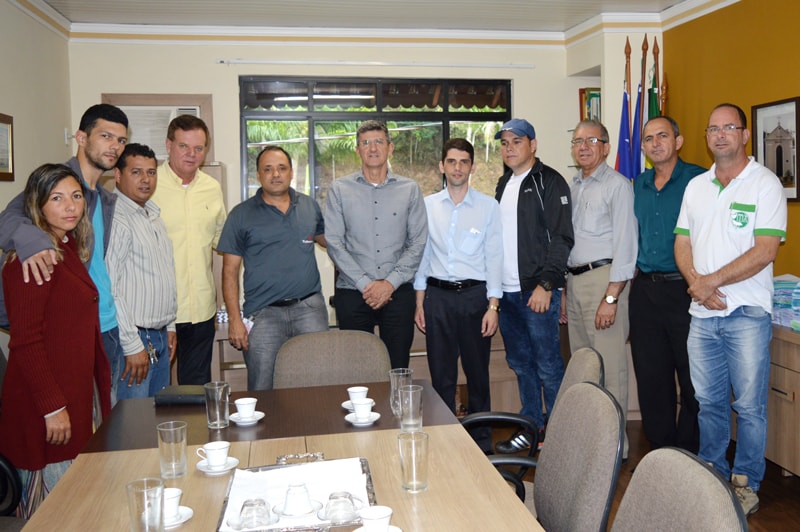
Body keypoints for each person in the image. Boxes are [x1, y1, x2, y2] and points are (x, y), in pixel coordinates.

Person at [674, 103, 787, 516]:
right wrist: (696, 286)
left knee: (750, 406)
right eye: (713, 129)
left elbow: (765, 251)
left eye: (729, 128)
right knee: (709, 402)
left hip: (746, 315)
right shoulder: (697, 187)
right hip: (702, 315)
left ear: (744, 135)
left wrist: (709, 282)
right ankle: (712, 473)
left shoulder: (765, 184)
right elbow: (682, 243)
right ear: (707, 137)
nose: (720, 135)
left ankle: (744, 483)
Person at [0, 164, 112, 518]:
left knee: (78, 503)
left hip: (71, 393)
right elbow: (26, 341)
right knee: (56, 512)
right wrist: (52, 407)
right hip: (45, 404)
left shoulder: (65, 246)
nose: (70, 207)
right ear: (38, 204)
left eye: (76, 197)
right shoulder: (34, 260)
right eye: (57, 198)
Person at [0, 104, 128, 404]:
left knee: (104, 424)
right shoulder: (57, 182)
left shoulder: (103, 198)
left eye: (121, 140)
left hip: (105, 323)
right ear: (81, 138)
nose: (114, 146)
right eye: (106, 136)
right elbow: (9, 219)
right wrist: (34, 243)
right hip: (67, 330)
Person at [413, 138, 503, 452]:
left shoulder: (488, 207)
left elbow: (495, 257)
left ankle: (482, 445)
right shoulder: (427, 205)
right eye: (451, 161)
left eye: (464, 162)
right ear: (442, 166)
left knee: (478, 375)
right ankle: (444, 442)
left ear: (472, 167)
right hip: (437, 298)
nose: (457, 168)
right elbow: (422, 256)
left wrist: (494, 305)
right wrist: (420, 301)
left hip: (475, 298)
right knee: (442, 377)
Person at [492, 119, 574, 454]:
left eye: (516, 141)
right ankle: (531, 426)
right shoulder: (503, 183)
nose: (509, 148)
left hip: (536, 291)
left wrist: (547, 284)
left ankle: (556, 435)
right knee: (522, 363)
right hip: (509, 294)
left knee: (548, 365)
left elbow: (562, 237)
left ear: (533, 145)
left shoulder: (550, 182)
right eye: (504, 143)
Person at [218, 146, 329, 390]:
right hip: (263, 314)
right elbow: (229, 272)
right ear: (258, 175)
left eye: (281, 168)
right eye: (267, 169)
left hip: (309, 309)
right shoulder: (241, 215)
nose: (275, 174)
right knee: (262, 386)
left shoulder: (310, 206)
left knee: (317, 383)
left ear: (291, 173)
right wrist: (235, 320)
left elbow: (332, 243)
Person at [324, 120, 428, 369]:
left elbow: (417, 242)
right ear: (357, 150)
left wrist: (389, 283)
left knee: (398, 367)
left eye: (379, 142)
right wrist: (366, 284)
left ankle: (396, 409)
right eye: (365, 143)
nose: (372, 148)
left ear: (390, 148)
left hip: (398, 292)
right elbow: (335, 242)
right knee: (358, 370)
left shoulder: (410, 189)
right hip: (352, 292)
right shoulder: (339, 189)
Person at [629, 116, 705, 453]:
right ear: (643, 147)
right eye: (648, 138)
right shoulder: (637, 185)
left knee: (692, 377)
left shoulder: (700, 180)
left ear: (679, 140)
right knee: (651, 375)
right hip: (645, 290)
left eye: (663, 136)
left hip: (685, 290)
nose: (655, 143)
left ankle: (690, 450)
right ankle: (661, 450)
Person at [565, 119, 637, 459]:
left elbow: (626, 245)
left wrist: (612, 297)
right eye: (577, 140)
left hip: (604, 281)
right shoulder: (574, 186)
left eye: (591, 140)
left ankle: (614, 445)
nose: (583, 146)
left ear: (606, 147)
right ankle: (590, 441)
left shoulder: (618, 186)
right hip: (575, 281)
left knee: (610, 368)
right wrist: (566, 290)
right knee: (584, 367)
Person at [151, 115, 226, 385]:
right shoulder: (149, 185)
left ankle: (194, 430)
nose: (192, 155)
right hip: (159, 311)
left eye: (199, 148)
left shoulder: (211, 188)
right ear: (168, 145)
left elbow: (221, 239)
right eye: (184, 146)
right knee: (153, 388)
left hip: (201, 310)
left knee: (195, 389)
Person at [105, 143, 178, 399]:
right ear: (117, 175)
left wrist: (170, 327)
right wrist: (131, 344)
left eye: (151, 172)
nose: (146, 180)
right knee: (133, 428)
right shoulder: (117, 218)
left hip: (158, 337)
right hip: (134, 340)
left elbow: (164, 275)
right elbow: (110, 288)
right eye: (136, 172)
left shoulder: (152, 216)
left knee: (158, 421)